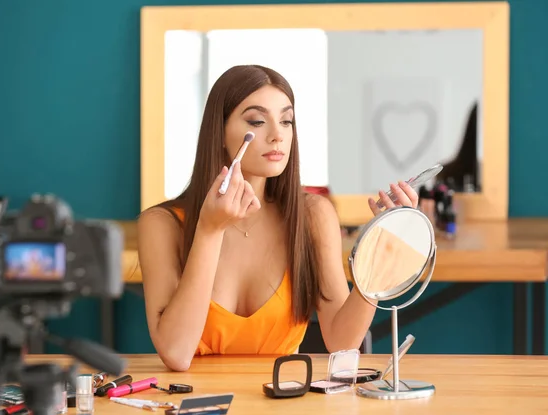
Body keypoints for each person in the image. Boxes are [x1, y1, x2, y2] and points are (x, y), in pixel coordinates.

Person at [137, 65, 419, 371]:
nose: (277, 136)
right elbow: (176, 354)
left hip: (282, 398)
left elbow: (343, 341)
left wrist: (377, 253)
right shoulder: (161, 224)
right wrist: (209, 231)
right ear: (219, 132)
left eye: (286, 121)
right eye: (257, 121)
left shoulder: (313, 215)